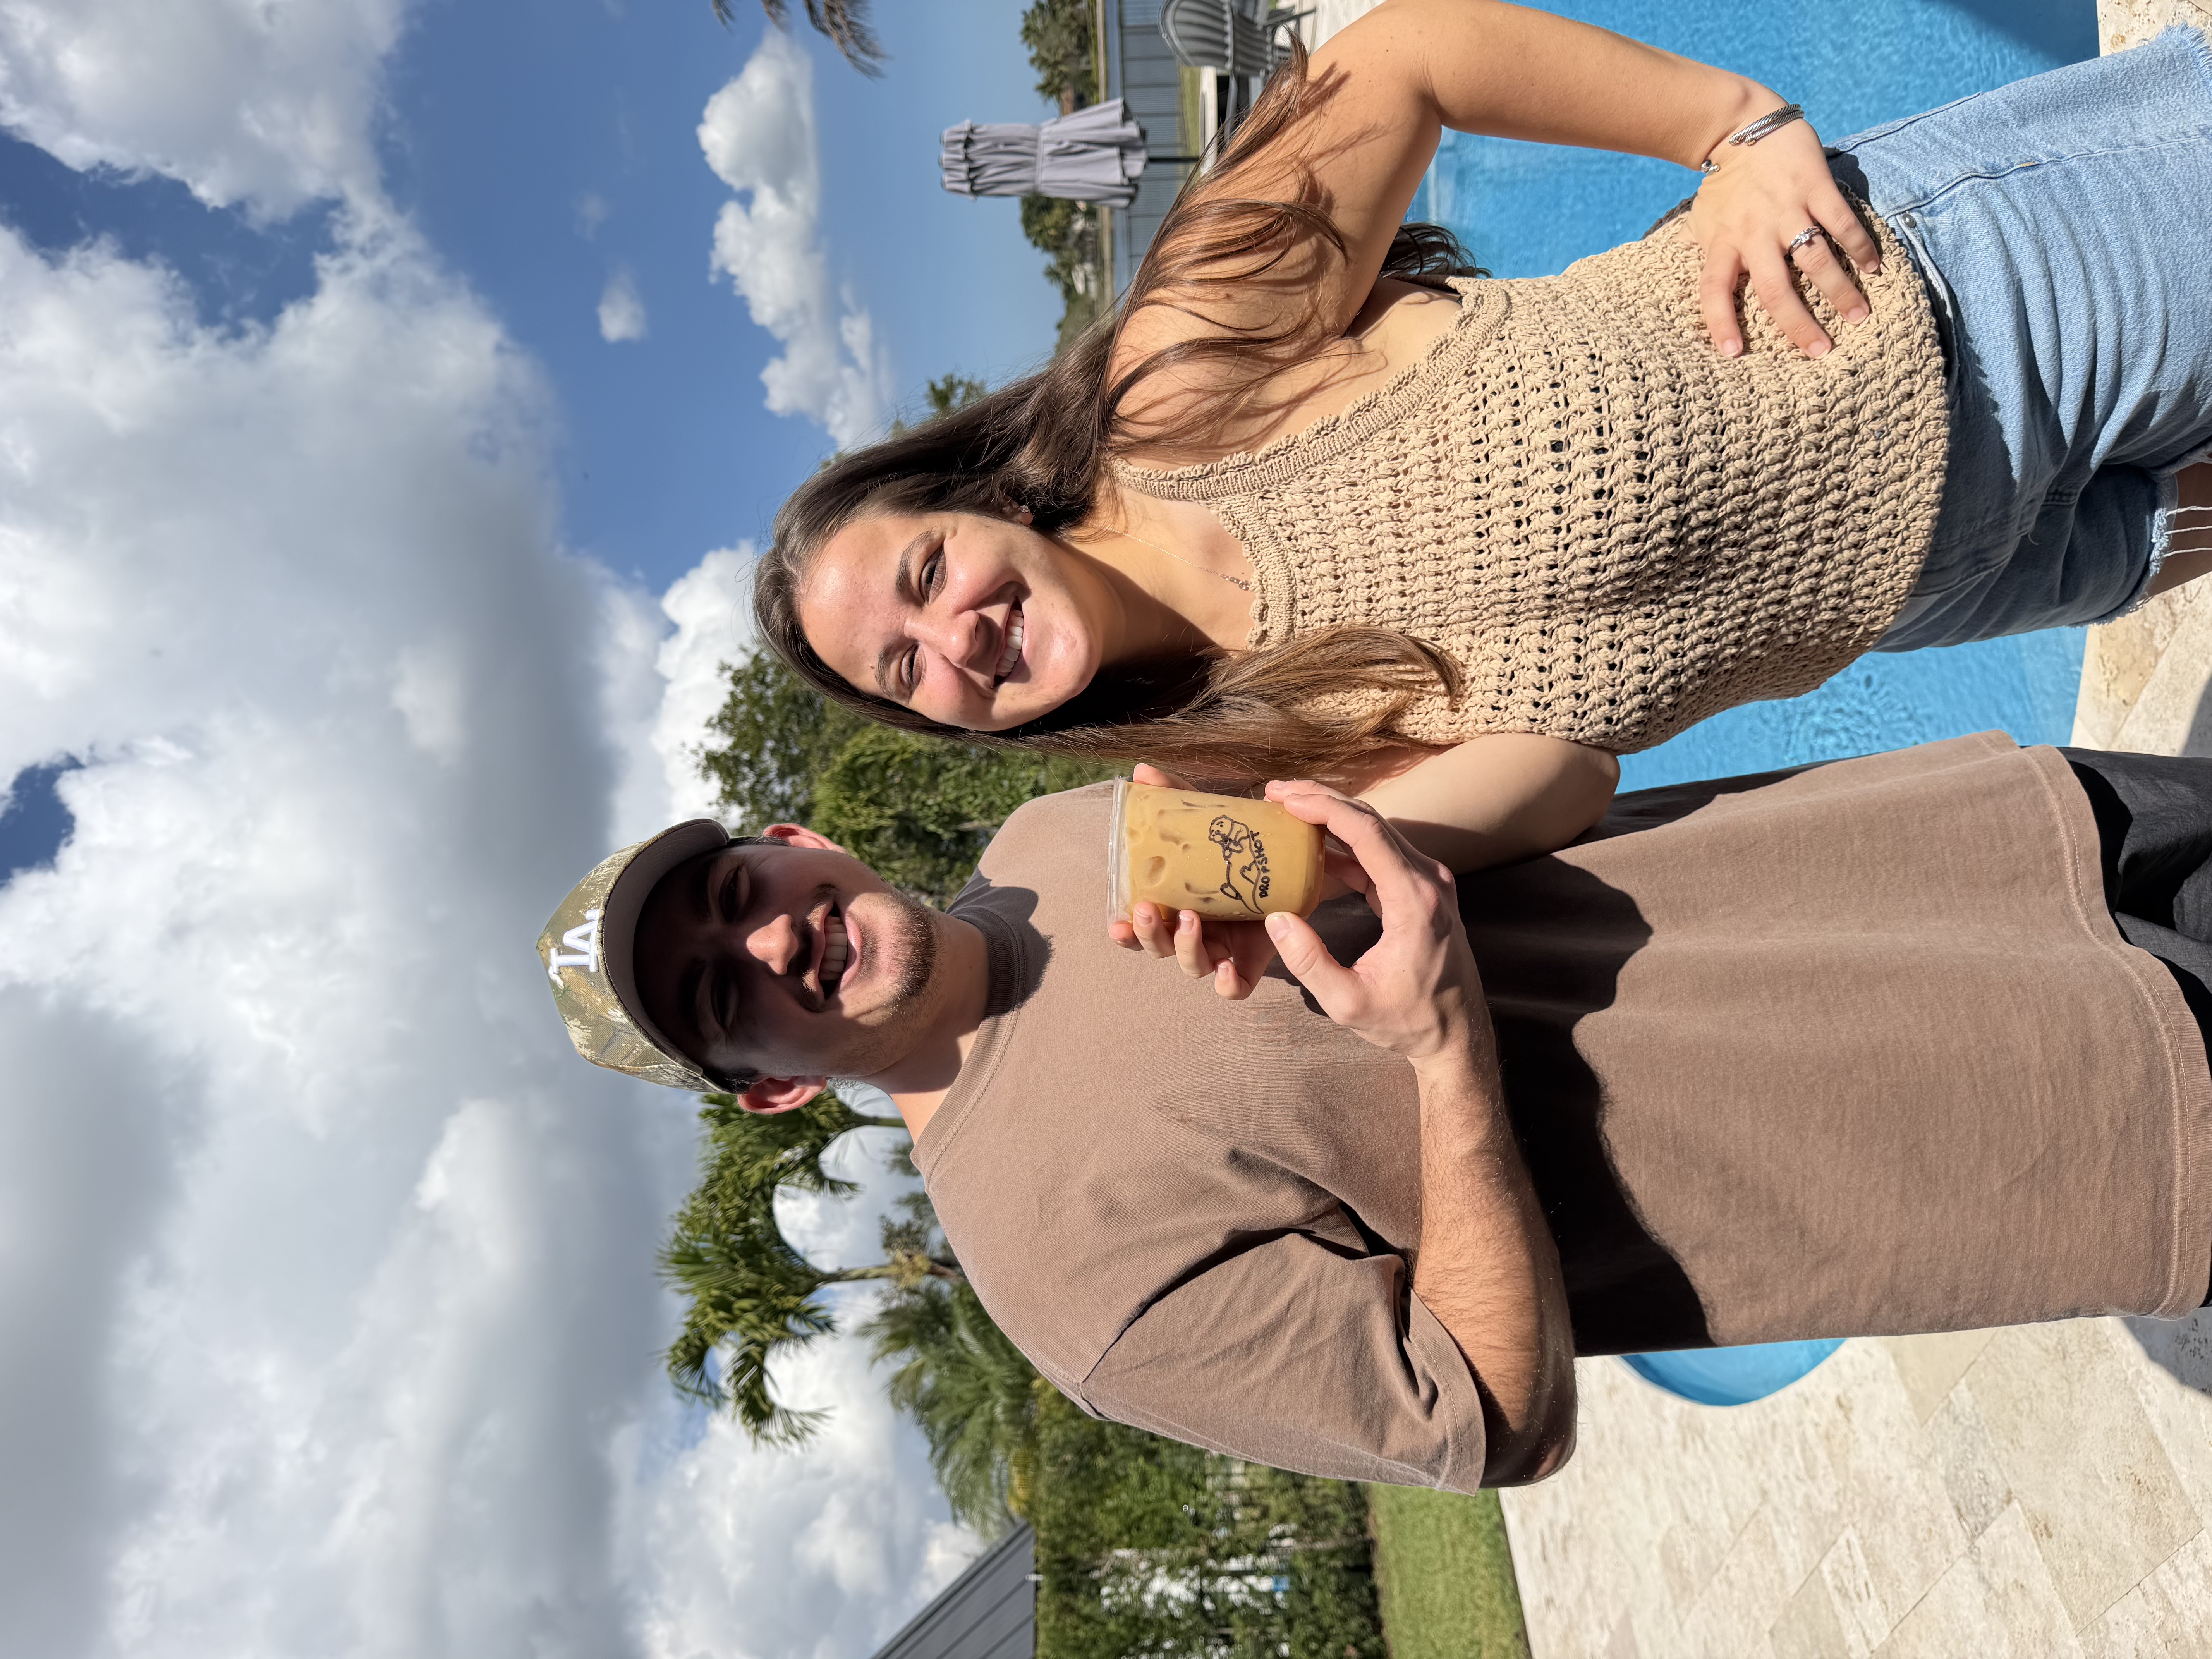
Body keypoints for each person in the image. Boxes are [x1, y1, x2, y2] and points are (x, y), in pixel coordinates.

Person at [753, 5, 2212, 879]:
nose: (957, 635)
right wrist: (1335, 860)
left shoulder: (1176, 389)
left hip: (1956, 310)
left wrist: (1735, 129)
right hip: (1930, 585)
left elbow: (1401, 61)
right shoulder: (1234, 754)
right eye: (907, 669)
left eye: (926, 573)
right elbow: (1572, 774)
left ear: (978, 502)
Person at [540, 733, 2212, 1487]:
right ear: (771, 1085)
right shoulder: (1068, 1286)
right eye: (723, 996)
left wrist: (1365, 824)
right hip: (2027, 1108)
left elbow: (1484, 811)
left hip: (1971, 833)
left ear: (794, 847)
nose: (771, 941)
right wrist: (1442, 1054)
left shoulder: (1052, 841)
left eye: (737, 893)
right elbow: (1488, 1419)